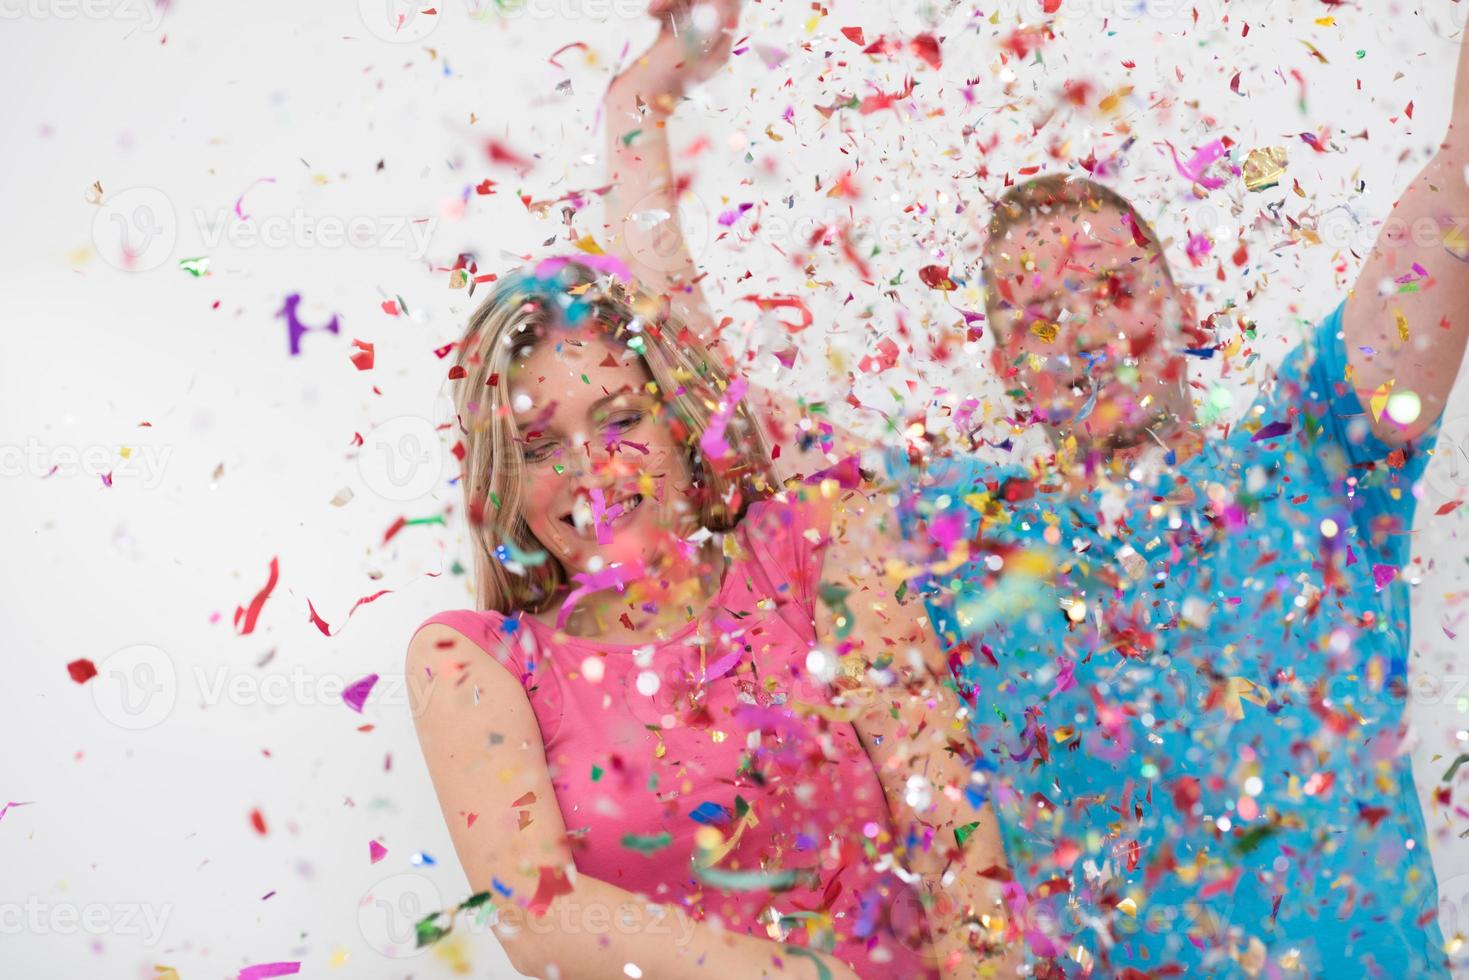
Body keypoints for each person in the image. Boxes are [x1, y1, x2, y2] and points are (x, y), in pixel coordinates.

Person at [890, 21, 1469, 979]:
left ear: (1182, 311)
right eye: (1038, 318)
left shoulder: (1316, 450)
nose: (1082, 333)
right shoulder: (956, 544)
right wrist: (641, 114)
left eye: (1112, 289)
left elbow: (1459, 182)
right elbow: (713, 447)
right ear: (1005, 371)